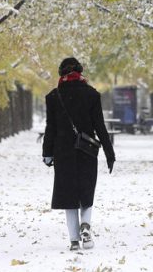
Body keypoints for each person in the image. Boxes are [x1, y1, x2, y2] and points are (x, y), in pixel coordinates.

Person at [42, 57, 116, 251]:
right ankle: (86, 225)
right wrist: (109, 152)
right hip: (87, 151)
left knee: (68, 196)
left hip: (63, 152)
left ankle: (74, 241)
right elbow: (100, 126)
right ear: (80, 72)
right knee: (86, 191)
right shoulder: (92, 95)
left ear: (61, 73)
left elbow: (51, 127)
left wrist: (47, 153)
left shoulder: (53, 97)